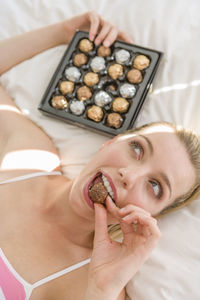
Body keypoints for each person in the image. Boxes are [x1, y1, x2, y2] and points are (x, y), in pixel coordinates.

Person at [0, 11, 200, 300]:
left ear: (153, 215)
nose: (130, 176)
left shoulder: (96, 280)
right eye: (137, 149)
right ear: (111, 143)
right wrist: (60, 32)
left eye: (155, 186)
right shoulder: (32, 159)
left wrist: (101, 291)